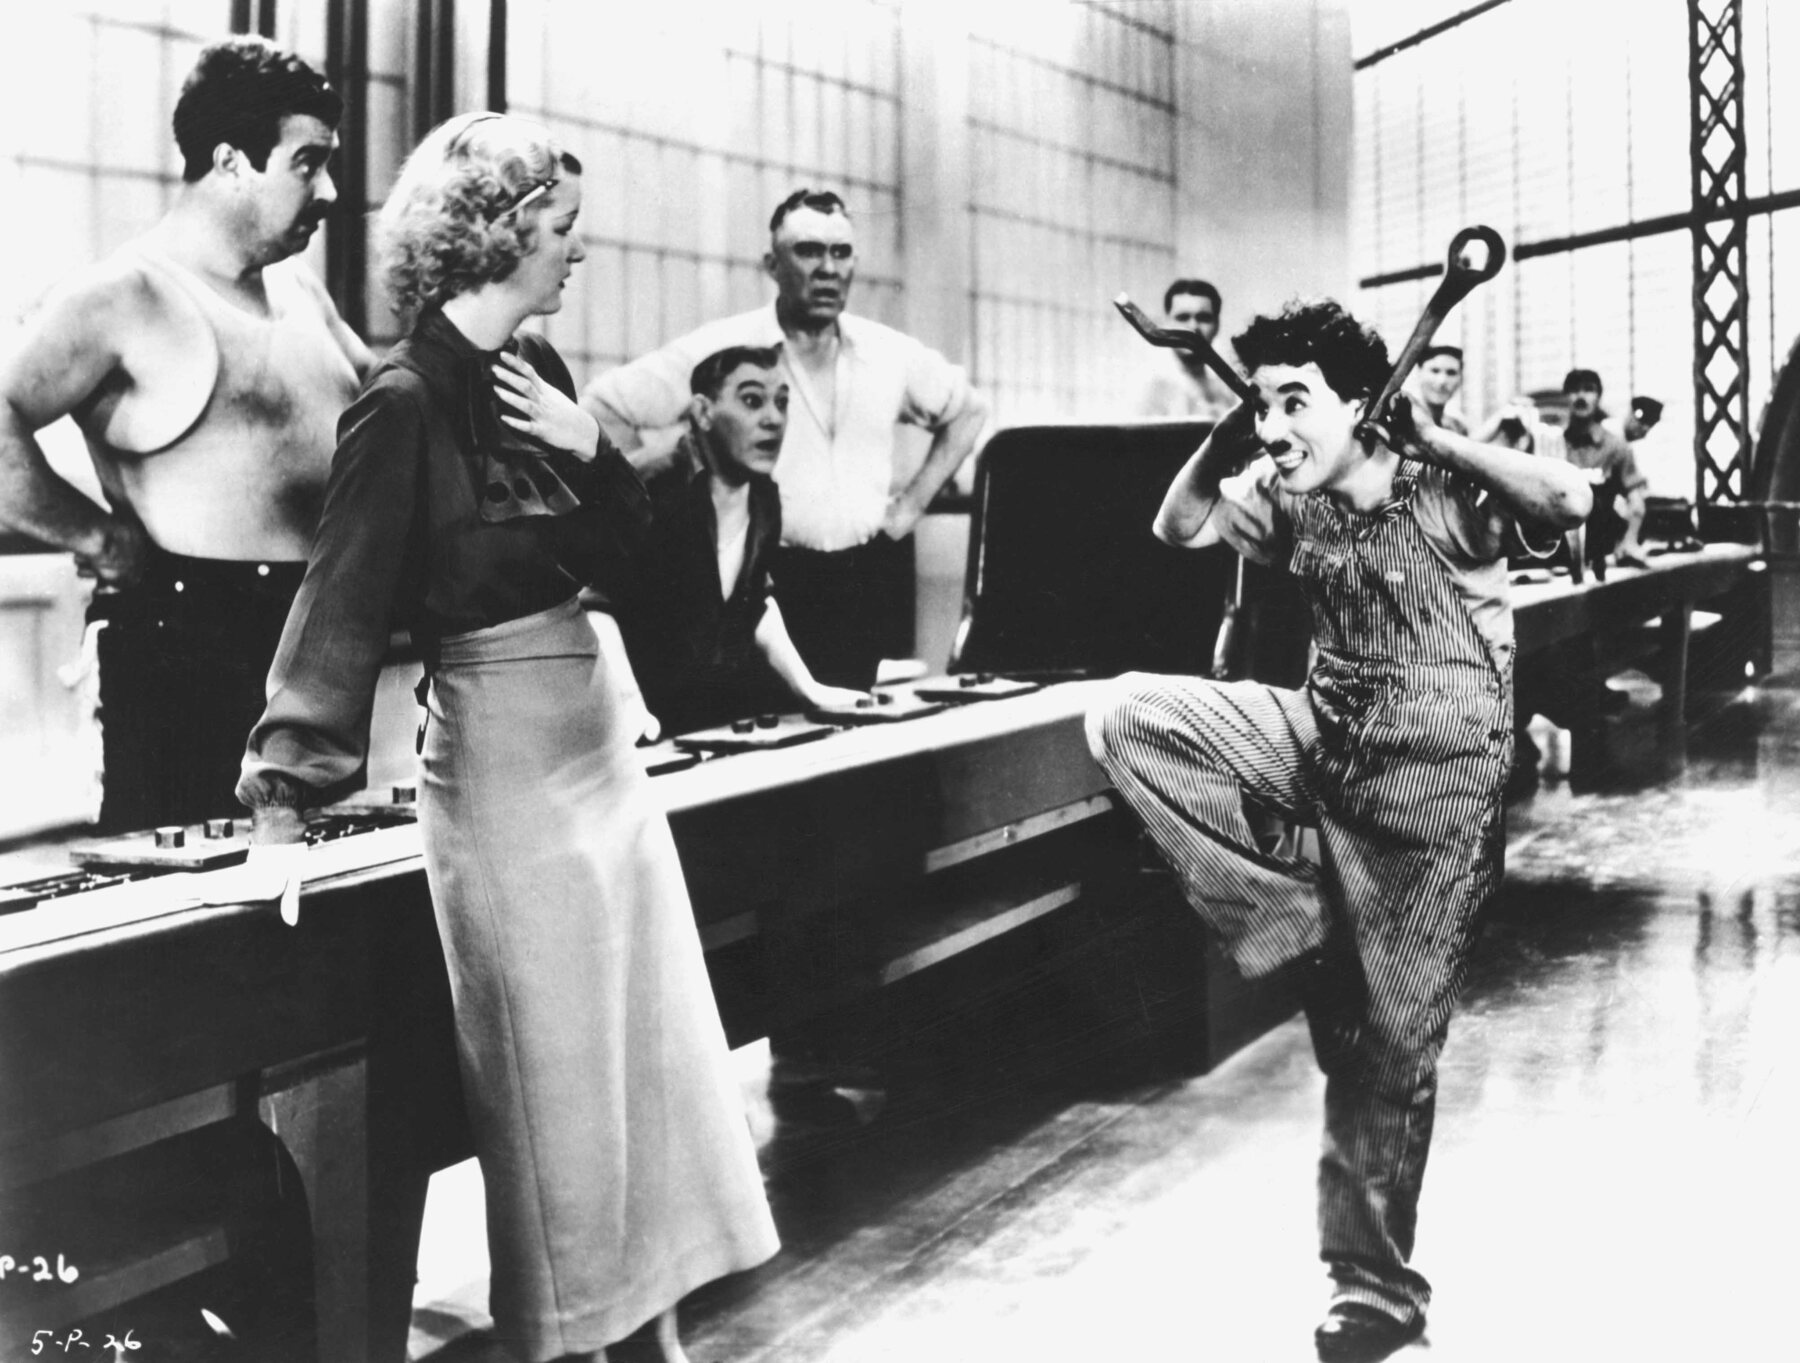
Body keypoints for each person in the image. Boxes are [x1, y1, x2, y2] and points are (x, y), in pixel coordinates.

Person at [235, 113, 778, 1363]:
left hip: (603, 756)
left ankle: (649, 1335)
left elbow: (645, 579)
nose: (578, 250)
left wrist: (597, 456)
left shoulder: (543, 380)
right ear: (499, 228)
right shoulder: (405, 401)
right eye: (564, 226)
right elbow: (343, 605)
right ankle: (571, 1338)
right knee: (555, 1089)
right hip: (505, 776)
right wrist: (282, 799)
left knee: (644, 1070)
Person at [1085, 300, 1590, 1362]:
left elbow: (1572, 496)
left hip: (1433, 809)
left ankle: (1374, 1292)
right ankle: (1292, 917)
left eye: (1294, 404)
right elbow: (1172, 527)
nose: (1273, 429)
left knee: (1385, 1053)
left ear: (1365, 407)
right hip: (1321, 743)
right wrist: (1235, 427)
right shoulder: (1288, 497)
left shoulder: (1450, 498)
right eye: (1262, 405)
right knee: (1127, 719)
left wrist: (1437, 435)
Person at [0, 36, 370, 833]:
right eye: (308, 163)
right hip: (185, 655)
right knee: (197, 937)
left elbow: (387, 420)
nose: (331, 190)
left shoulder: (306, 296)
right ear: (232, 160)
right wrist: (93, 536)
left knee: (333, 919)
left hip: (316, 651)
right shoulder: (126, 295)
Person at [581, 187, 989, 690]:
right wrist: (669, 515)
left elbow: (968, 411)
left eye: (840, 253)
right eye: (808, 251)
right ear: (772, 264)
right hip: (769, 585)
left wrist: (908, 509)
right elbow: (604, 406)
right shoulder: (726, 350)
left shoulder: (888, 354)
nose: (827, 268)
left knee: (860, 744)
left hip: (862, 580)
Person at [615, 343, 867, 735]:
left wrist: (809, 689)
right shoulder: (645, 484)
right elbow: (593, 603)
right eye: (752, 401)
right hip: (630, 720)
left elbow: (755, 604)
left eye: (782, 404)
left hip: (704, 712)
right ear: (702, 412)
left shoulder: (764, 499)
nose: (773, 420)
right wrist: (628, 706)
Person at [1562, 367, 1649, 568]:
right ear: (1566, 396)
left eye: (1588, 389)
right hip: (1561, 553)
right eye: (1574, 390)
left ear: (1598, 397)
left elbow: (1636, 502)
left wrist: (1629, 541)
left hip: (1604, 553)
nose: (1581, 396)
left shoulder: (1616, 447)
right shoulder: (1554, 445)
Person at [1134, 277, 1235, 420]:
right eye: (1183, 318)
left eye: (1204, 318)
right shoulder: (1153, 383)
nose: (1193, 327)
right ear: (1166, 323)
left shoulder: (1224, 385)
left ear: (1217, 325)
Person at [1411, 343, 1468, 435]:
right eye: (1435, 371)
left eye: (1451, 373)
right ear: (1419, 372)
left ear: (1461, 378)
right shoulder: (1405, 419)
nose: (1442, 381)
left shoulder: (1456, 426)